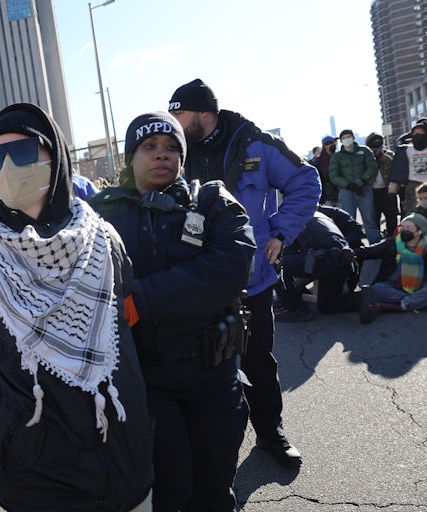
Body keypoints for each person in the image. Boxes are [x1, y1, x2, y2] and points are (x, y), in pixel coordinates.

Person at [0, 102, 152, 512]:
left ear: (55, 158)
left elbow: (129, 328)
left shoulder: (103, 240)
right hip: (36, 472)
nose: (6, 168)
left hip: (122, 455)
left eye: (21, 152)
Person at [89, 111, 255, 510]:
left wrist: (141, 299)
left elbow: (231, 267)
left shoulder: (212, 201)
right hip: (146, 381)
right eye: (149, 146)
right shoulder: (100, 215)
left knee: (214, 489)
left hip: (213, 375)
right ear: (130, 157)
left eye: (170, 147)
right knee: (167, 489)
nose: (161, 154)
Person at [168, 78, 321, 468]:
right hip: (196, 280)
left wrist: (281, 234)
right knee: (200, 365)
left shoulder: (255, 142)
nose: (173, 123)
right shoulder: (173, 150)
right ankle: (208, 451)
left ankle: (270, 433)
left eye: (179, 114)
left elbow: (305, 181)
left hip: (251, 277)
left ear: (206, 113)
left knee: (257, 361)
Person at [274, 207, 363, 322]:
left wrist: (286, 294)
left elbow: (287, 257)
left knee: (277, 266)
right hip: (341, 262)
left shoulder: (291, 222)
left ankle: (297, 309)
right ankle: (360, 298)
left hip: (325, 260)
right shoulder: (319, 216)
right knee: (326, 305)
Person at [355, 213, 427, 321]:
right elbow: (369, 251)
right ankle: (419, 302)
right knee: (377, 289)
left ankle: (392, 307)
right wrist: (351, 253)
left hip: (421, 285)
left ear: (419, 231)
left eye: (408, 228)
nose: (404, 230)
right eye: (402, 227)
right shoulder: (392, 243)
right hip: (394, 285)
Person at [328, 129, 381, 244]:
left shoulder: (365, 151)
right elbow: (333, 176)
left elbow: (372, 167)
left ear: (353, 138)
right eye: (344, 138)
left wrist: (362, 180)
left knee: (369, 219)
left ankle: (375, 244)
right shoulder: (337, 156)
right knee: (348, 221)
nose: (346, 139)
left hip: (364, 189)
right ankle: (354, 247)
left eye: (348, 137)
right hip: (346, 191)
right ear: (341, 141)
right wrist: (348, 184)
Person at [389, 119, 427, 216]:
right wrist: (393, 187)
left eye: (420, 132)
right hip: (413, 186)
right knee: (412, 213)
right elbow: (398, 168)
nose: (417, 135)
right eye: (415, 133)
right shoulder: (406, 150)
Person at [366, 132, 399, 236]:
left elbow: (394, 165)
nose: (376, 143)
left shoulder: (389, 154)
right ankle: (377, 240)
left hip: (388, 190)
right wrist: (372, 157)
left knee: (392, 216)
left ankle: (391, 237)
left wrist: (381, 156)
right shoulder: (366, 156)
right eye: (374, 142)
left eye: (378, 141)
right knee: (374, 218)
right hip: (372, 192)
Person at [309, 136, 339, 207]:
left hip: (339, 194)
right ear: (325, 145)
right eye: (332, 143)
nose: (334, 145)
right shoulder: (318, 162)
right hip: (326, 196)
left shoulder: (339, 157)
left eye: (335, 143)